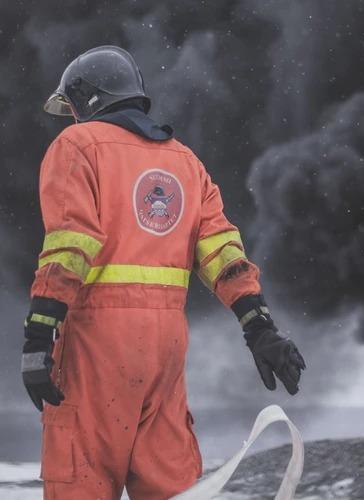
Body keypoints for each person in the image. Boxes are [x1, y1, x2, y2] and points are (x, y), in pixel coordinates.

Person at [21, 45, 306, 499]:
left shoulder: (76, 145)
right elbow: (222, 252)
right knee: (170, 485)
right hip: (165, 349)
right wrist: (259, 327)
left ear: (88, 99)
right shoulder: (185, 161)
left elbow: (70, 245)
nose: (72, 118)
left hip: (96, 343)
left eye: (72, 108)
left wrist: (39, 335)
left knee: (82, 475)